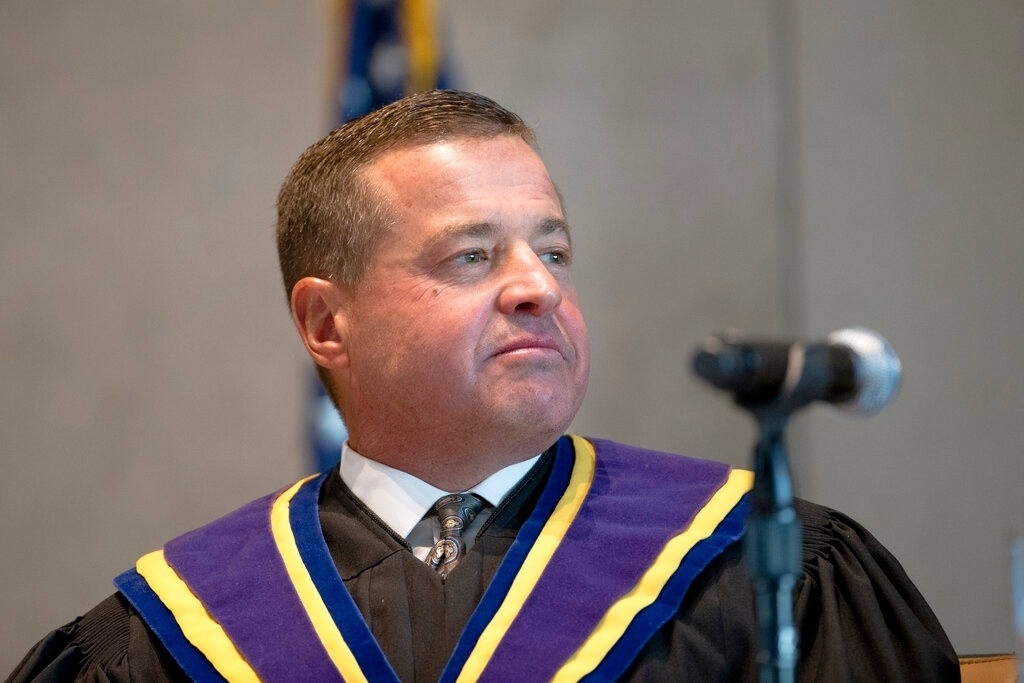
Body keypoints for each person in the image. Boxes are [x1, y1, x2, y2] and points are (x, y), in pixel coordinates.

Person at [7, 90, 959, 682]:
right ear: (325, 323)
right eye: (471, 256)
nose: (539, 286)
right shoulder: (172, 634)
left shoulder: (766, 569)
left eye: (554, 249)